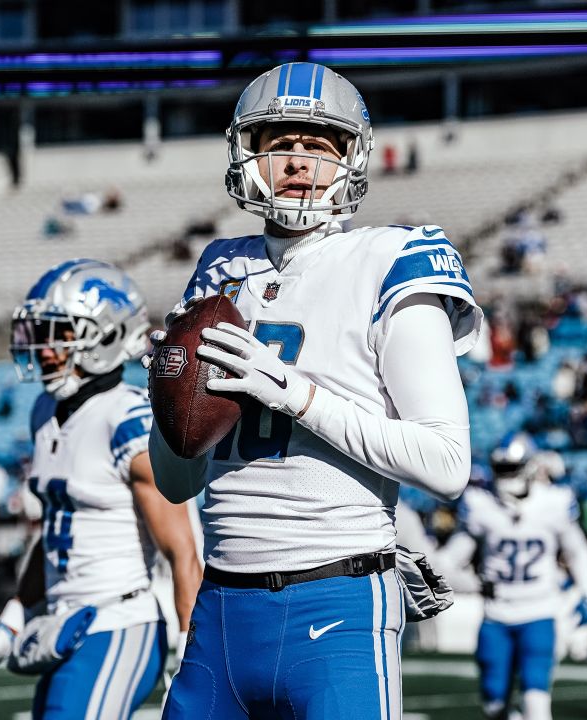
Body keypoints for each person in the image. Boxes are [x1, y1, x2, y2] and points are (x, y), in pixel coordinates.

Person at [147, 62, 480, 719]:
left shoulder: (391, 259)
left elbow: (448, 466)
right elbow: (177, 483)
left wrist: (296, 394)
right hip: (219, 609)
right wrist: (167, 396)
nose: (297, 162)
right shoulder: (220, 264)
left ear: (352, 158)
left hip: (338, 600)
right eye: (278, 144)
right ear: (247, 155)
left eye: (317, 145)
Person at [0, 259, 202, 719]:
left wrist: (193, 653)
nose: (46, 348)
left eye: (61, 333)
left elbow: (182, 551)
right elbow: (51, 534)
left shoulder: (127, 419)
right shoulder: (44, 412)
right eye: (41, 333)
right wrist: (8, 626)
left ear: (107, 334)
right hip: (60, 621)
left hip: (118, 621)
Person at [457, 434, 587, 720]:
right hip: (496, 614)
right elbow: (452, 558)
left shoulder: (553, 502)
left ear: (531, 467)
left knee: (536, 700)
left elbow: (578, 552)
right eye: (502, 469)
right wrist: (467, 582)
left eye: (512, 468)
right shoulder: (481, 505)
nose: (506, 476)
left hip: (539, 611)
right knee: (494, 704)